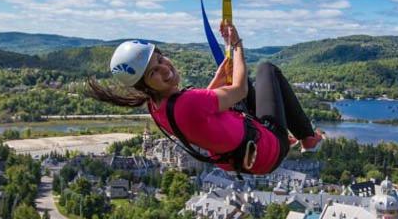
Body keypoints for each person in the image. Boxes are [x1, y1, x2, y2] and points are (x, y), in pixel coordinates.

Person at [87, 23, 323, 176]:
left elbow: (197, 115)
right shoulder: (189, 103)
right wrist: (237, 45)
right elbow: (238, 91)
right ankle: (307, 138)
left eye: (159, 59)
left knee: (244, 84)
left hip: (241, 157)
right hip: (267, 150)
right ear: (144, 85)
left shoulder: (156, 107)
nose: (165, 69)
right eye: (153, 73)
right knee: (266, 70)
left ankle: (292, 135)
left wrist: (218, 78)